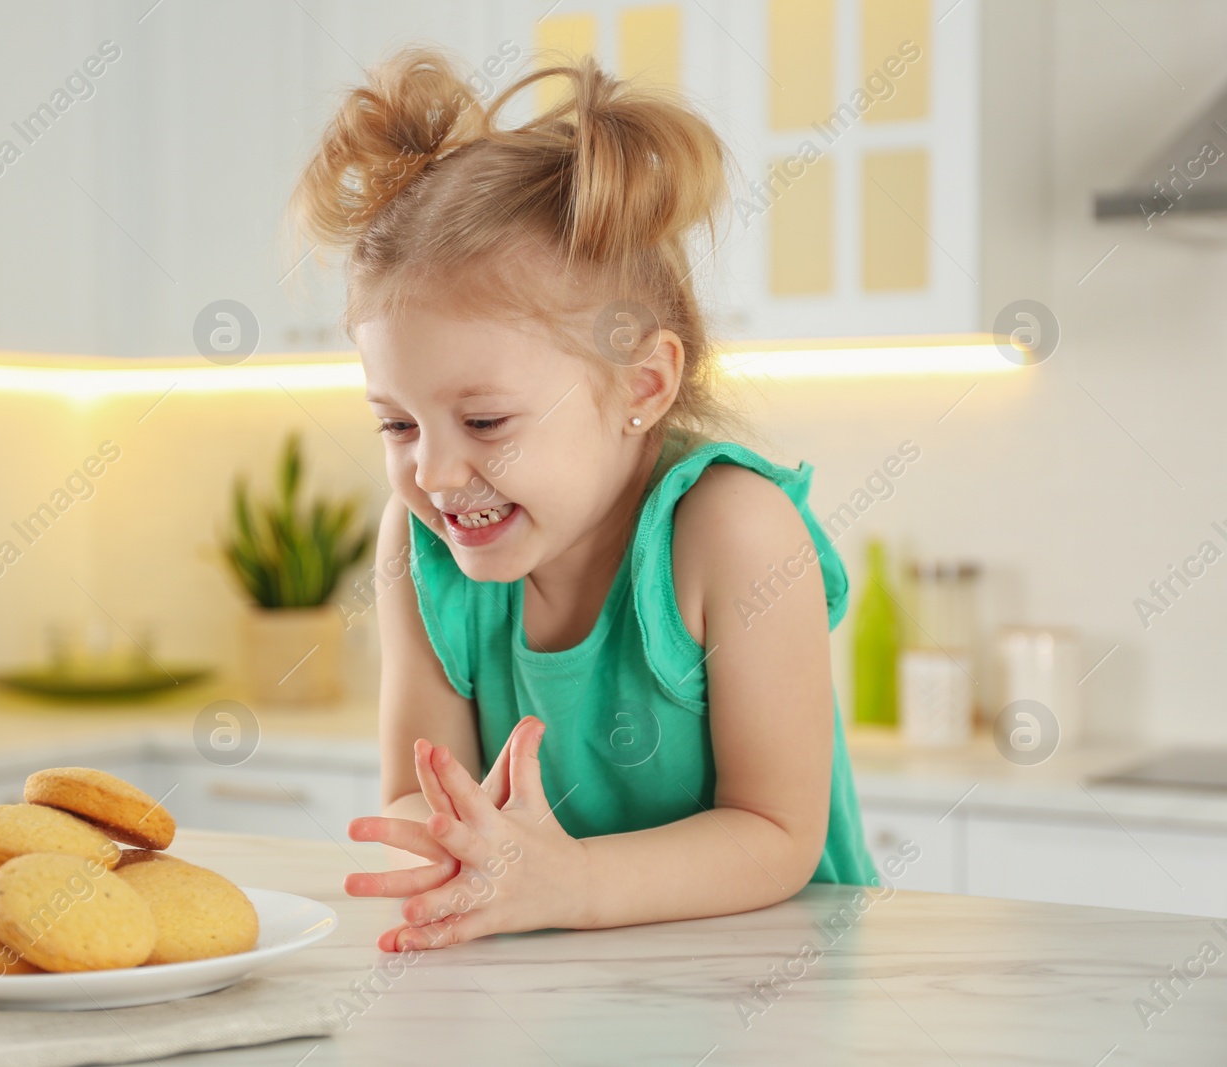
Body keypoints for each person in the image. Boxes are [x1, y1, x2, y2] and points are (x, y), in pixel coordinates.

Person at [290, 46, 876, 952]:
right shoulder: (419, 545)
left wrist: (571, 883)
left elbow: (777, 836)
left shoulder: (735, 532)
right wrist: (460, 846)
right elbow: (419, 789)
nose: (436, 475)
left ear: (642, 386)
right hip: (552, 976)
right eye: (398, 426)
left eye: (484, 422)